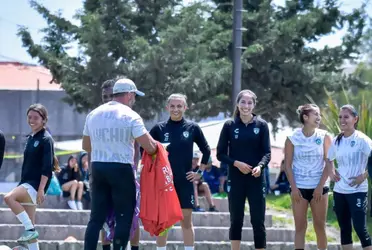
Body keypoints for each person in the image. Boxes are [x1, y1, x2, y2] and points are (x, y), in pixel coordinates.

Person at [83, 78, 158, 250]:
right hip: (121, 168)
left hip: (98, 167)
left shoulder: (93, 114)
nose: (134, 101)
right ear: (130, 95)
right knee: (124, 216)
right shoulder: (131, 115)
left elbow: (86, 146)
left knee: (96, 219)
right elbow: (149, 147)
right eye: (134, 97)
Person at [149, 93, 211, 250]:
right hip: (164, 183)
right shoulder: (159, 129)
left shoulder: (192, 128)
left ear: (185, 108)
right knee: (163, 222)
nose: (175, 109)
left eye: (179, 106)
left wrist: (200, 172)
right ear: (167, 107)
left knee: (186, 221)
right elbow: (146, 151)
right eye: (172, 106)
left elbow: (206, 150)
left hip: (184, 182)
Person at [216, 89, 271, 250]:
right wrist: (236, 163)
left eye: (249, 102)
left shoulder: (261, 125)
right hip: (236, 178)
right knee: (236, 219)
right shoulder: (229, 125)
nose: (246, 106)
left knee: (258, 220)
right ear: (238, 104)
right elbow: (220, 154)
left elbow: (267, 153)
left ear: (254, 105)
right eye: (243, 102)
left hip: (256, 179)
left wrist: (260, 166)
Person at [4, 104, 60, 250]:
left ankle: (29, 230)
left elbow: (47, 167)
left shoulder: (46, 139)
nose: (32, 120)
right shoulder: (30, 137)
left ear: (43, 120)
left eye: (36, 117)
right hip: (26, 182)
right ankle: (32, 236)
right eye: (29, 117)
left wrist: (41, 189)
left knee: (8, 198)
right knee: (31, 227)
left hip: (35, 184)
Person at [98, 78, 142, 250]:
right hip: (102, 174)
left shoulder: (130, 116)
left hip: (126, 173)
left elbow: (138, 147)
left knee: (132, 216)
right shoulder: (97, 116)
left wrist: (135, 170)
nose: (108, 99)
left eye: (111, 95)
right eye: (105, 96)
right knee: (104, 216)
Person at [284, 104, 331, 250]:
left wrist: (319, 187)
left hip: (319, 187)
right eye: (315, 114)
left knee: (319, 226)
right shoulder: (292, 138)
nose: (319, 117)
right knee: (300, 227)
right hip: (299, 188)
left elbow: (329, 163)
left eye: (319, 115)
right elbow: (287, 165)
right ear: (305, 117)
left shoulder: (325, 136)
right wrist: (294, 188)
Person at [326, 104, 372, 250]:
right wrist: (331, 172)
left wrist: (364, 176)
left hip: (358, 191)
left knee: (359, 228)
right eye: (340, 117)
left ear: (355, 119)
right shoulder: (337, 140)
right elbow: (328, 159)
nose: (342, 120)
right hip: (340, 191)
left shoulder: (362, 140)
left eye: (346, 117)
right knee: (344, 228)